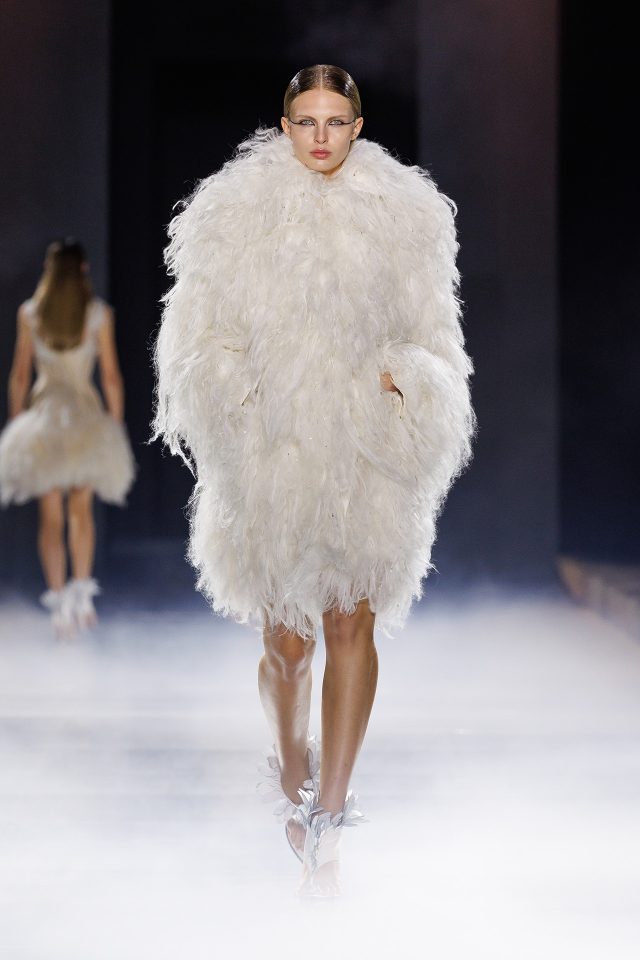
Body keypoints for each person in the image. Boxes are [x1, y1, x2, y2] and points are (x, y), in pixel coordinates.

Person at [153, 65, 475, 897]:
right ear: (285, 125)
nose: (322, 136)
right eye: (307, 121)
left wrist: (408, 379)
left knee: (351, 624)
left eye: (336, 121)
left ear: (357, 126)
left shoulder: (405, 216)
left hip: (365, 455)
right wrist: (234, 386)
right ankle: (293, 776)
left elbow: (435, 334)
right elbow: (194, 336)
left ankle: (329, 823)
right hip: (275, 456)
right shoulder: (233, 213)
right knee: (286, 647)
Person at [0, 238, 135, 638]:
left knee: (51, 517)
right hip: (84, 420)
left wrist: (17, 424)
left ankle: (60, 604)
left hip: (45, 420)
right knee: (80, 512)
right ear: (83, 270)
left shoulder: (31, 314)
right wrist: (115, 425)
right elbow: (110, 376)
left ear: (48, 269)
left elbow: (20, 376)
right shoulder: (98, 315)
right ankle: (81, 594)